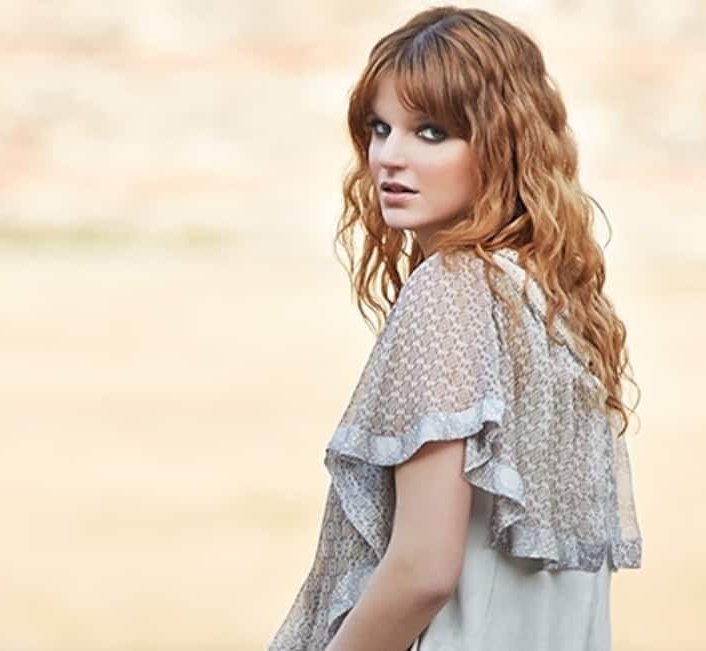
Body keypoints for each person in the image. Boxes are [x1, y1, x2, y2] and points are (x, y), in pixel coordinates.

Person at [267, 5, 642, 651]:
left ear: (503, 142)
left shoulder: (453, 287)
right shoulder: (551, 303)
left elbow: (423, 570)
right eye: (380, 127)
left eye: (432, 131)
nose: (389, 156)